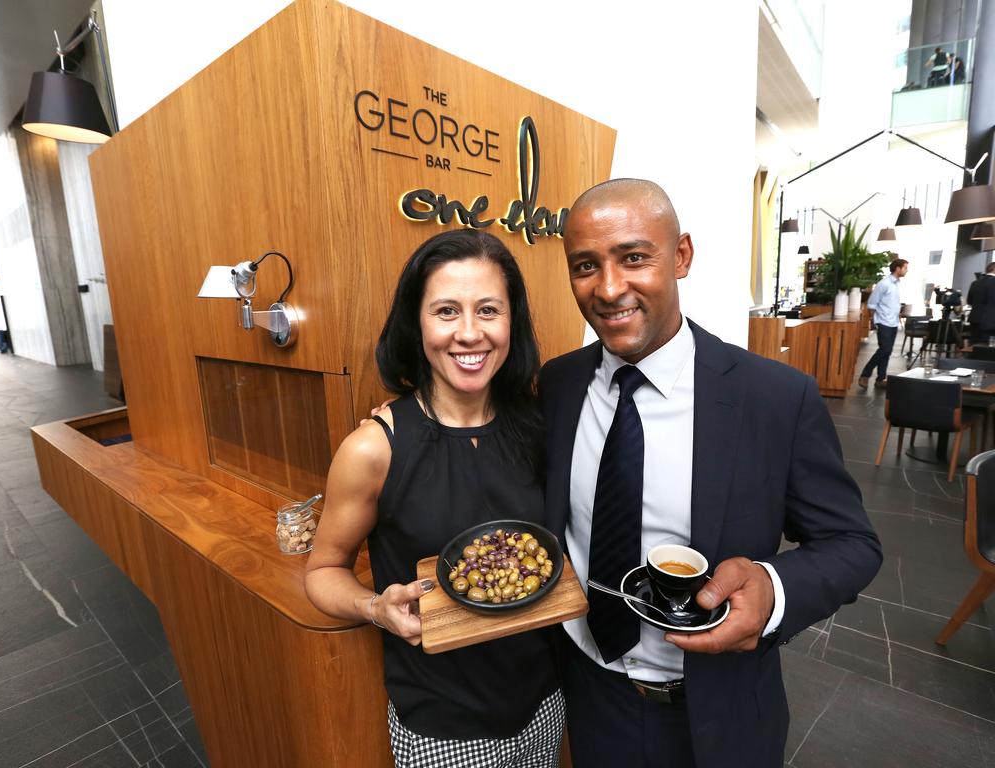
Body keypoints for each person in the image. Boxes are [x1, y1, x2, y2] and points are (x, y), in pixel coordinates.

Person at [539, 179, 882, 767]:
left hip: (719, 714)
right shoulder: (559, 383)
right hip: (591, 693)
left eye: (634, 257)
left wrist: (772, 590)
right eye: (585, 266)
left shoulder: (775, 397)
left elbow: (852, 544)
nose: (609, 287)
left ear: (682, 256)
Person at [305, 230, 563, 767]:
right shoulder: (374, 446)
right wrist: (374, 607)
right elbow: (322, 570)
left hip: (545, 702)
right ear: (416, 323)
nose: (469, 333)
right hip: (440, 727)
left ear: (512, 320)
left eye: (488, 310)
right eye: (446, 311)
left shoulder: (539, 425)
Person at [859, 258, 909, 389]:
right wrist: (876, 319)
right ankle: (865, 374)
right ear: (897, 268)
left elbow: (890, 303)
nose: (906, 270)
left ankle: (881, 379)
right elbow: (871, 303)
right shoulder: (884, 284)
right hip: (883, 322)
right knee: (885, 350)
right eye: (905, 268)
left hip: (893, 322)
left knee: (886, 351)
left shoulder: (897, 283)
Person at [967, 262, 995, 343]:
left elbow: (970, 301)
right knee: (987, 348)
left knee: (974, 345)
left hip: (975, 318)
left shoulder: (975, 283)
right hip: (991, 321)